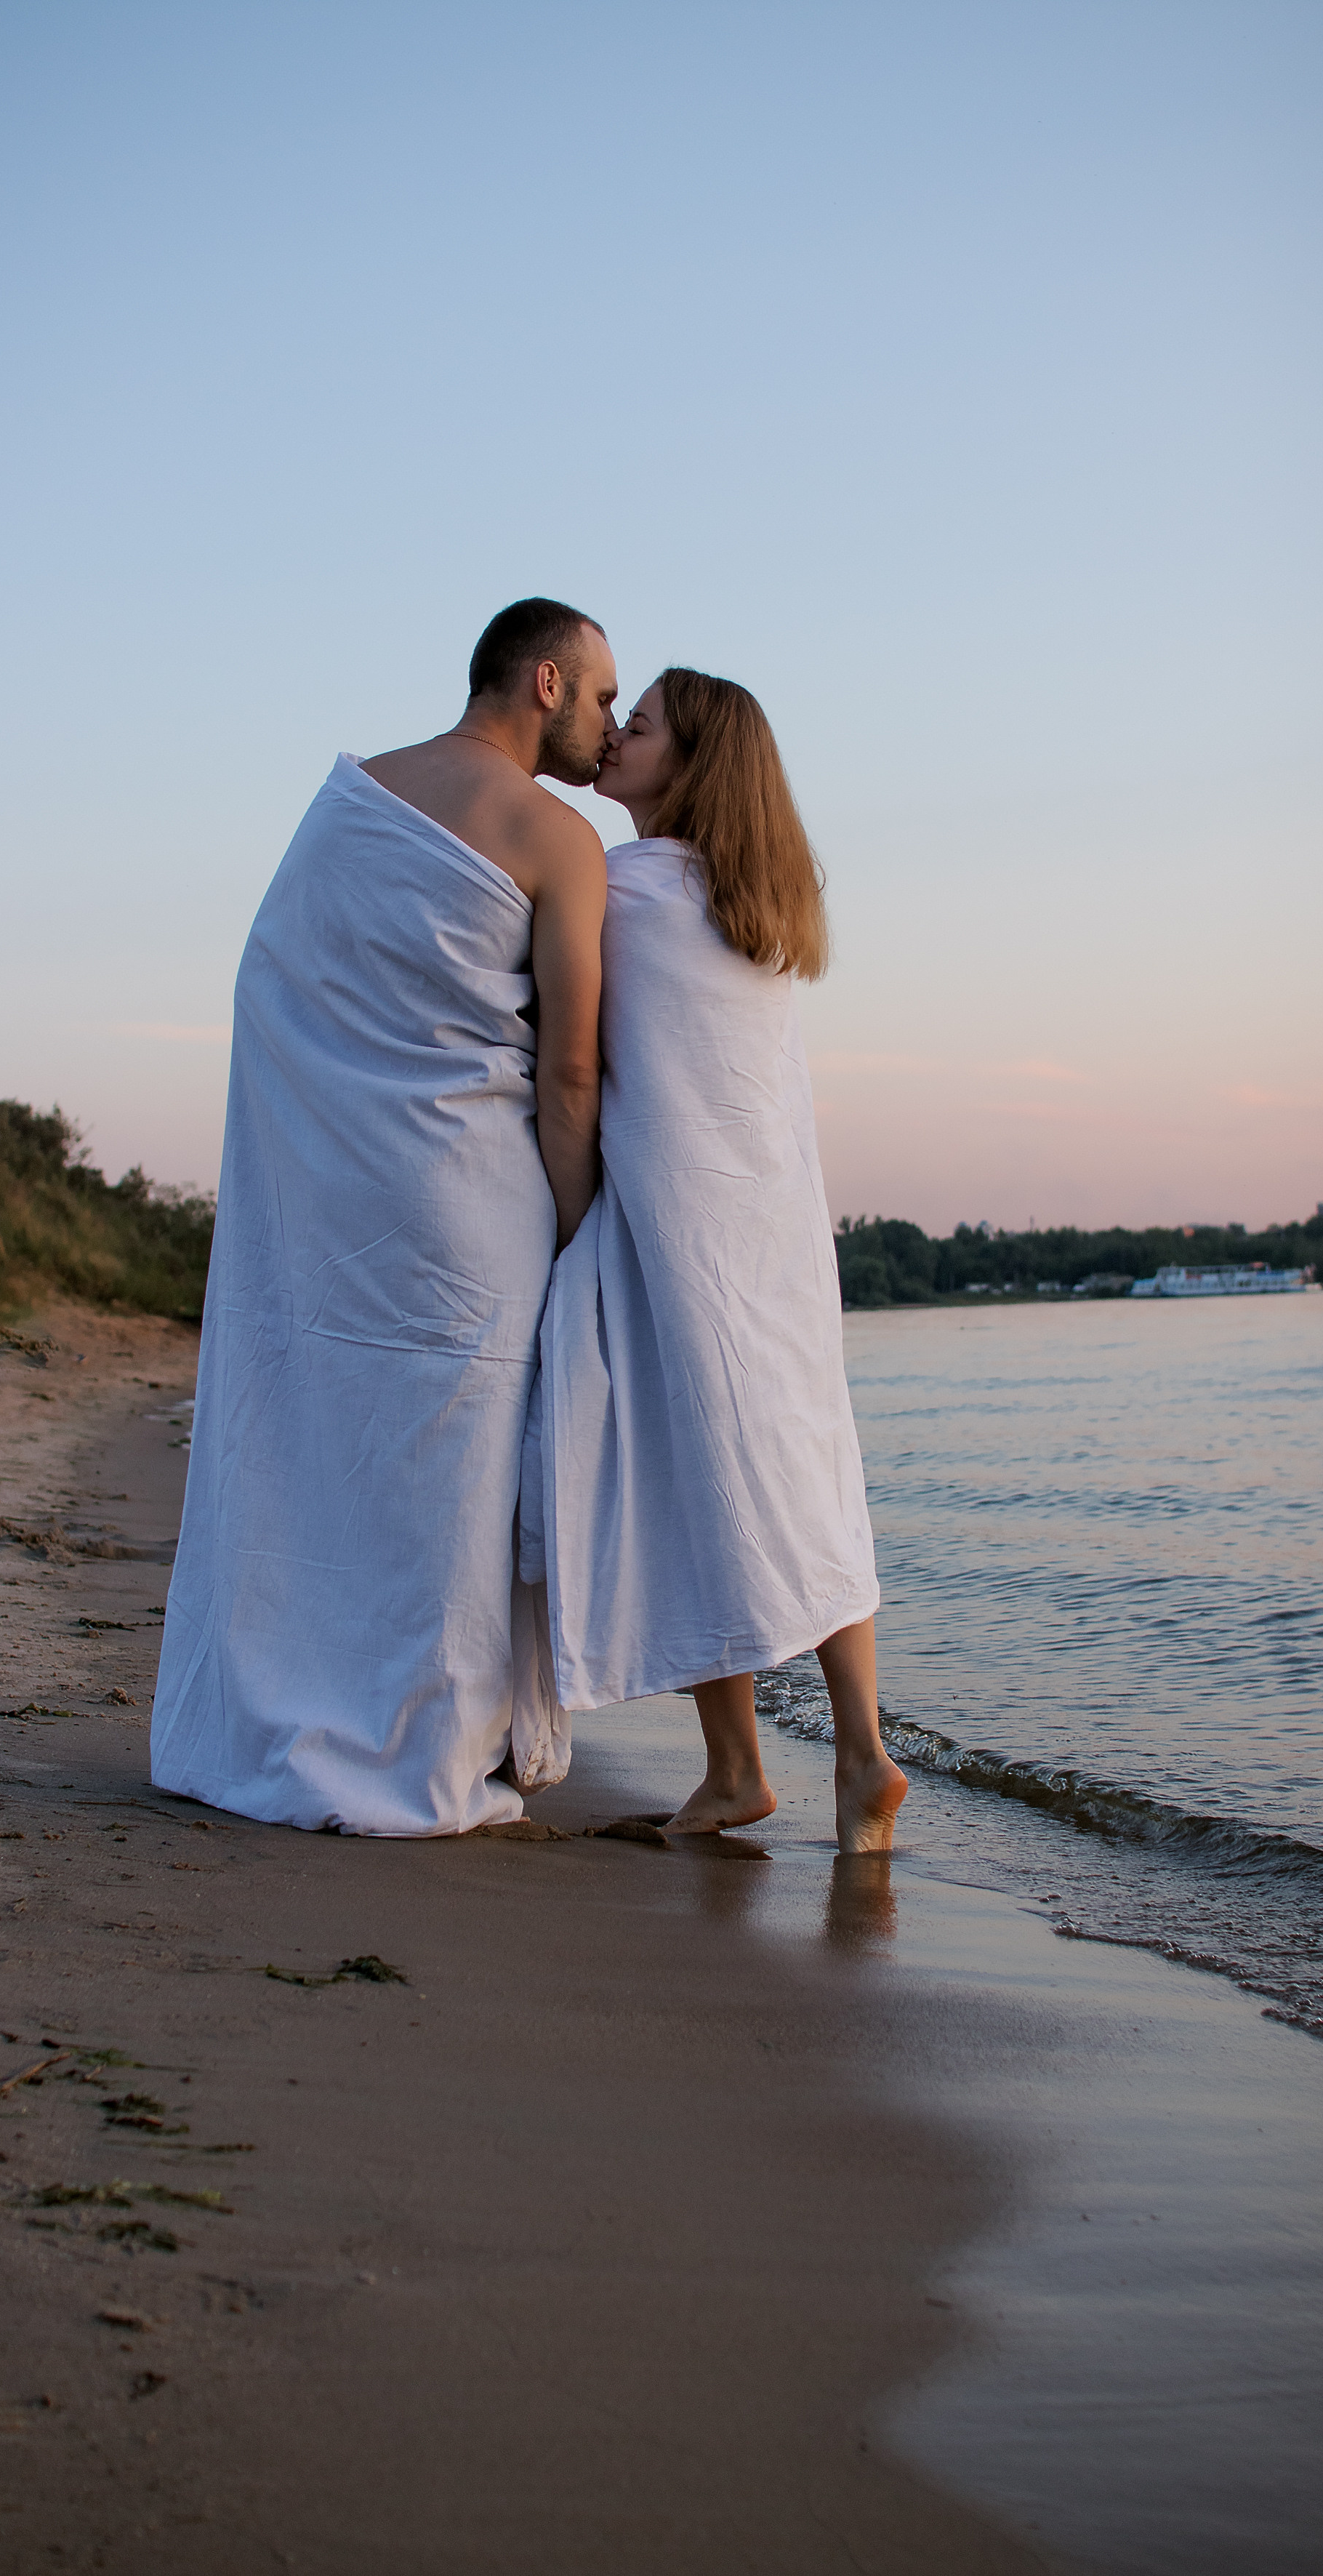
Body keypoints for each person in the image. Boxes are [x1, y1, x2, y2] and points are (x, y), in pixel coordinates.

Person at [152, 599, 615, 1834]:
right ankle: (430, 1743)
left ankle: (284, 1711)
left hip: (334, 1198)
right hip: (473, 1206)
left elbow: (269, 987)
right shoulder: (556, 837)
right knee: (450, 1485)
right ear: (547, 682)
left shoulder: (349, 801)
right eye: (604, 696)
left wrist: (313, 1163)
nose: (611, 724)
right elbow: (571, 1072)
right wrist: (584, 1231)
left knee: (320, 1451)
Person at [523, 668, 908, 1852]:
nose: (612, 737)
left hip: (676, 1236)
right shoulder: (759, 909)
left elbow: (565, 1054)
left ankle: (740, 1766)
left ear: (689, 765)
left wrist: (569, 1218)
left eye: (636, 727)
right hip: (778, 1242)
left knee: (685, 1474)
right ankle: (855, 1750)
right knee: (807, 1475)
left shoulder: (623, 890)